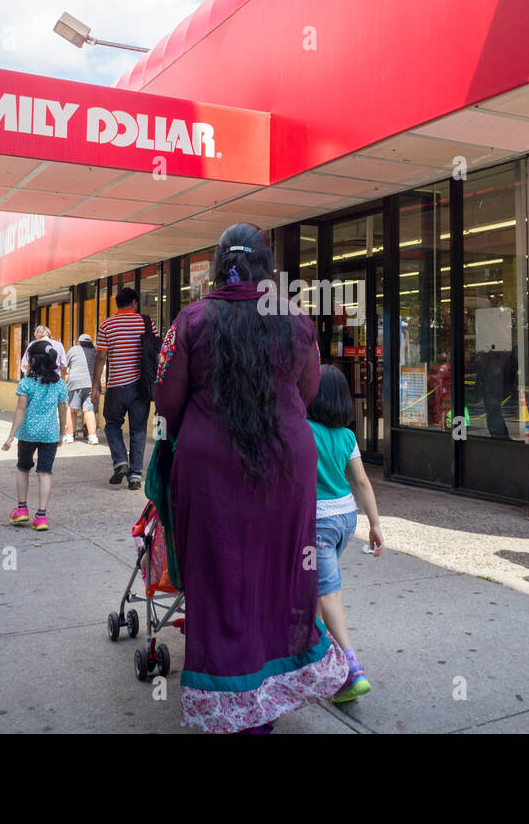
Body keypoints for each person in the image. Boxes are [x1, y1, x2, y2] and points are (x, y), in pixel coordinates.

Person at [153, 223, 348, 733]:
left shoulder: (191, 319)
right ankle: (275, 684)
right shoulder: (297, 321)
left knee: (219, 578)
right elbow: (307, 393)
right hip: (286, 466)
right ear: (268, 267)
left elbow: (167, 401)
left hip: (212, 470)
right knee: (281, 574)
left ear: (218, 266)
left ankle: (233, 702)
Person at [307, 364, 384, 704]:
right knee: (318, 590)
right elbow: (362, 482)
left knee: (327, 593)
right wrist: (375, 524)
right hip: (345, 521)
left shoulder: (304, 431)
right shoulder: (348, 437)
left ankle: (351, 670)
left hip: (318, 524)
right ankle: (314, 659)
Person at [92, 288, 158, 491]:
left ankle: (121, 461)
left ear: (117, 304)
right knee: (138, 430)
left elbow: (101, 357)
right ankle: (136, 475)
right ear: (135, 303)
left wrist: (95, 386)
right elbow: (156, 353)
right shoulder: (146, 323)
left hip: (116, 386)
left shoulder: (107, 325)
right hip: (141, 386)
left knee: (112, 425)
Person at [1, 340, 67, 531]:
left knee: (23, 468)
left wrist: (11, 436)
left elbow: (20, 410)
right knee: (45, 472)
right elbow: (63, 410)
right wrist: (62, 432)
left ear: (33, 361)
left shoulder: (26, 383)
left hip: (28, 433)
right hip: (50, 435)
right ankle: (42, 516)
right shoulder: (60, 385)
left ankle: (22, 509)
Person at [63, 333, 99, 444]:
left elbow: (64, 366)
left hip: (75, 383)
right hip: (92, 384)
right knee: (89, 410)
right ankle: (93, 437)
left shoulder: (73, 350)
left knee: (71, 409)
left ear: (79, 342)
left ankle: (69, 436)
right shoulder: (95, 351)